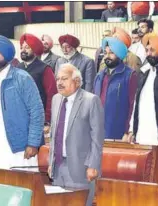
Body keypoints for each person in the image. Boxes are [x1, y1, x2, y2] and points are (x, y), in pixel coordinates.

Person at [0, 34, 44, 170]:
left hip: (19, 151)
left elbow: (36, 112)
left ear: (7, 53)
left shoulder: (22, 78)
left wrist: (33, 143)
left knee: (20, 190)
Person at [48, 63, 104, 206]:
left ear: (77, 81)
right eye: (57, 79)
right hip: (58, 166)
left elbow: (97, 138)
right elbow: (54, 134)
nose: (59, 83)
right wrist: (51, 162)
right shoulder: (56, 99)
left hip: (82, 168)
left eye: (64, 79)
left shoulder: (91, 100)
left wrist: (93, 166)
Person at [93, 37, 137, 140]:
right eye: (105, 53)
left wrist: (128, 131)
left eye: (111, 53)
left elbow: (132, 105)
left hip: (118, 131)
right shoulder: (99, 75)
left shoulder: (129, 75)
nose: (107, 56)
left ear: (119, 54)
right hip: (98, 130)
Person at [17, 33, 57, 134]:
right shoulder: (17, 68)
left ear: (34, 49)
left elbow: (52, 96)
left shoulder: (45, 69)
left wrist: (47, 121)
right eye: (22, 47)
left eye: (27, 47)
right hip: (19, 118)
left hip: (38, 120)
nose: (23, 50)